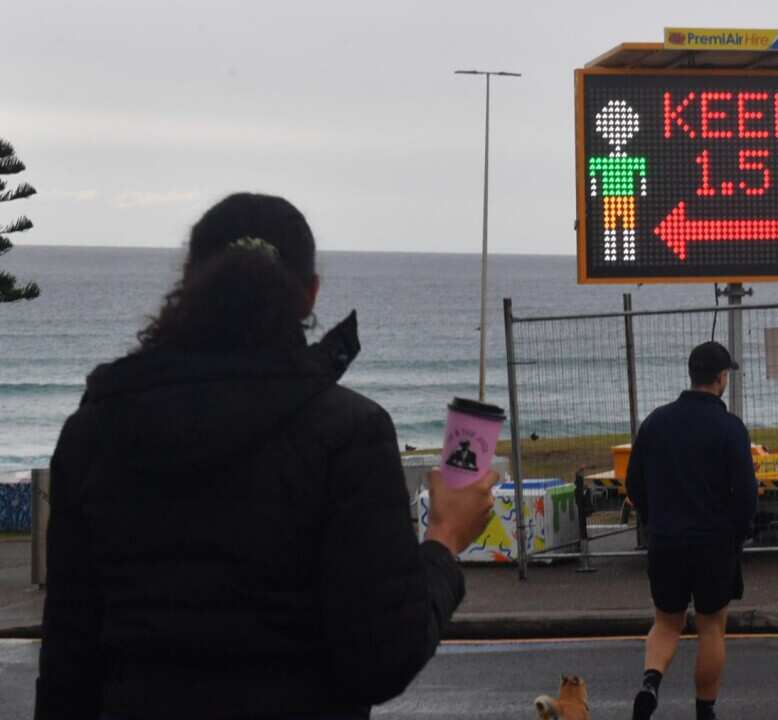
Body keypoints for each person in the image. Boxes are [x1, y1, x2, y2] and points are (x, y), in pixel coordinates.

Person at [34, 193, 497, 719]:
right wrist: (444, 541)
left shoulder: (94, 431)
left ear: (187, 281)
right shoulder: (349, 435)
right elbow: (380, 657)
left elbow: (67, 665)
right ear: (310, 295)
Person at [625, 341, 758, 720]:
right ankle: (705, 709)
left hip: (666, 540)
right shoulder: (730, 428)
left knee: (666, 622)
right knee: (711, 626)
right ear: (720, 379)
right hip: (714, 543)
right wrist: (736, 533)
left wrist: (655, 520)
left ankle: (651, 682)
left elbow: (634, 484)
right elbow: (746, 494)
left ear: (691, 375)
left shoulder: (656, 422)